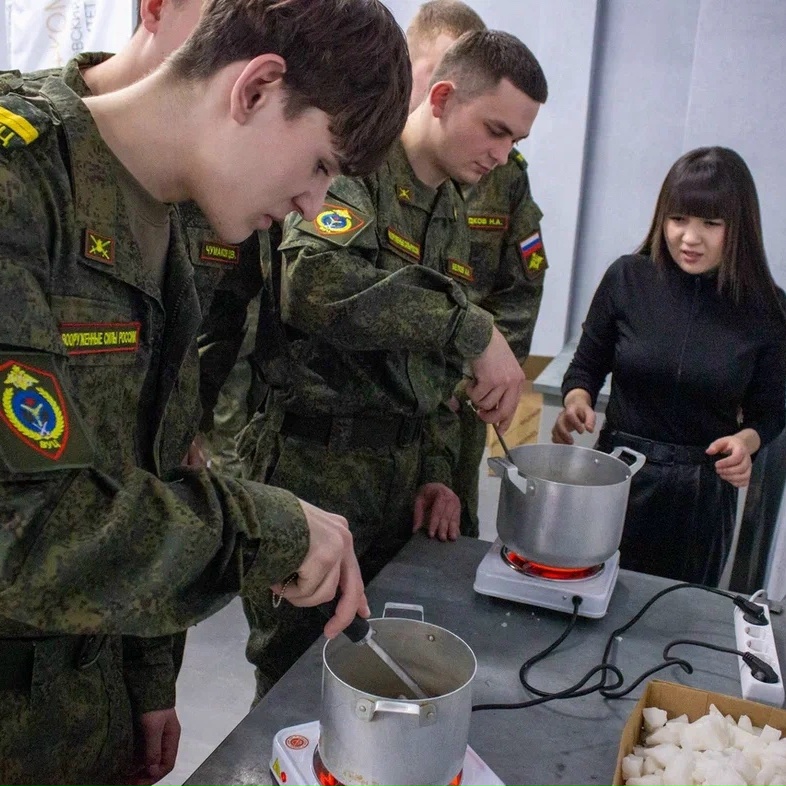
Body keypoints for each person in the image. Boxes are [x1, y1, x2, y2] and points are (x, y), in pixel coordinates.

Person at [0, 1, 411, 784]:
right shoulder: (20, 192)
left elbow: (154, 464)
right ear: (255, 89)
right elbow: (24, 527)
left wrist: (147, 682)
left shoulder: (176, 225)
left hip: (86, 708)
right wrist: (270, 527)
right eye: (321, 164)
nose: (314, 207)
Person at [236, 28, 546, 700]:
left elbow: (429, 373)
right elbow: (312, 282)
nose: (502, 154)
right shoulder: (358, 172)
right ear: (440, 98)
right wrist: (469, 326)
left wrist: (438, 475)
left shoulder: (451, 212)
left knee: (379, 686)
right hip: (320, 477)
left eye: (516, 142)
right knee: (296, 685)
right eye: (494, 130)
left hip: (397, 487)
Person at [553, 147, 786, 586]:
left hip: (700, 490)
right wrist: (575, 401)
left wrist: (745, 442)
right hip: (618, 477)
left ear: (739, 228)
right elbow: (586, 365)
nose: (689, 238)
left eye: (710, 224)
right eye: (678, 219)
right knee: (589, 597)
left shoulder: (768, 309)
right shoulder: (628, 277)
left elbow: (771, 411)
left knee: (678, 620)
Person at [406, 1, 549, 537]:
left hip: (460, 404)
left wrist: (481, 365)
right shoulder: (364, 159)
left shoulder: (503, 174)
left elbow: (522, 285)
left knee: (446, 539)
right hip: (378, 413)